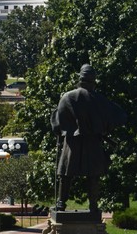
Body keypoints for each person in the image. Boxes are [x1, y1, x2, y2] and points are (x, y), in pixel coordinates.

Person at [51, 63, 127, 213]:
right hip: (93, 143)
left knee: (66, 174)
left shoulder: (67, 97)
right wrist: (103, 127)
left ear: (80, 78)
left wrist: (67, 129)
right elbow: (121, 116)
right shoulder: (100, 100)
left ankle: (61, 203)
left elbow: (56, 124)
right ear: (93, 80)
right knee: (93, 176)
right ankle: (93, 205)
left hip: (72, 143)